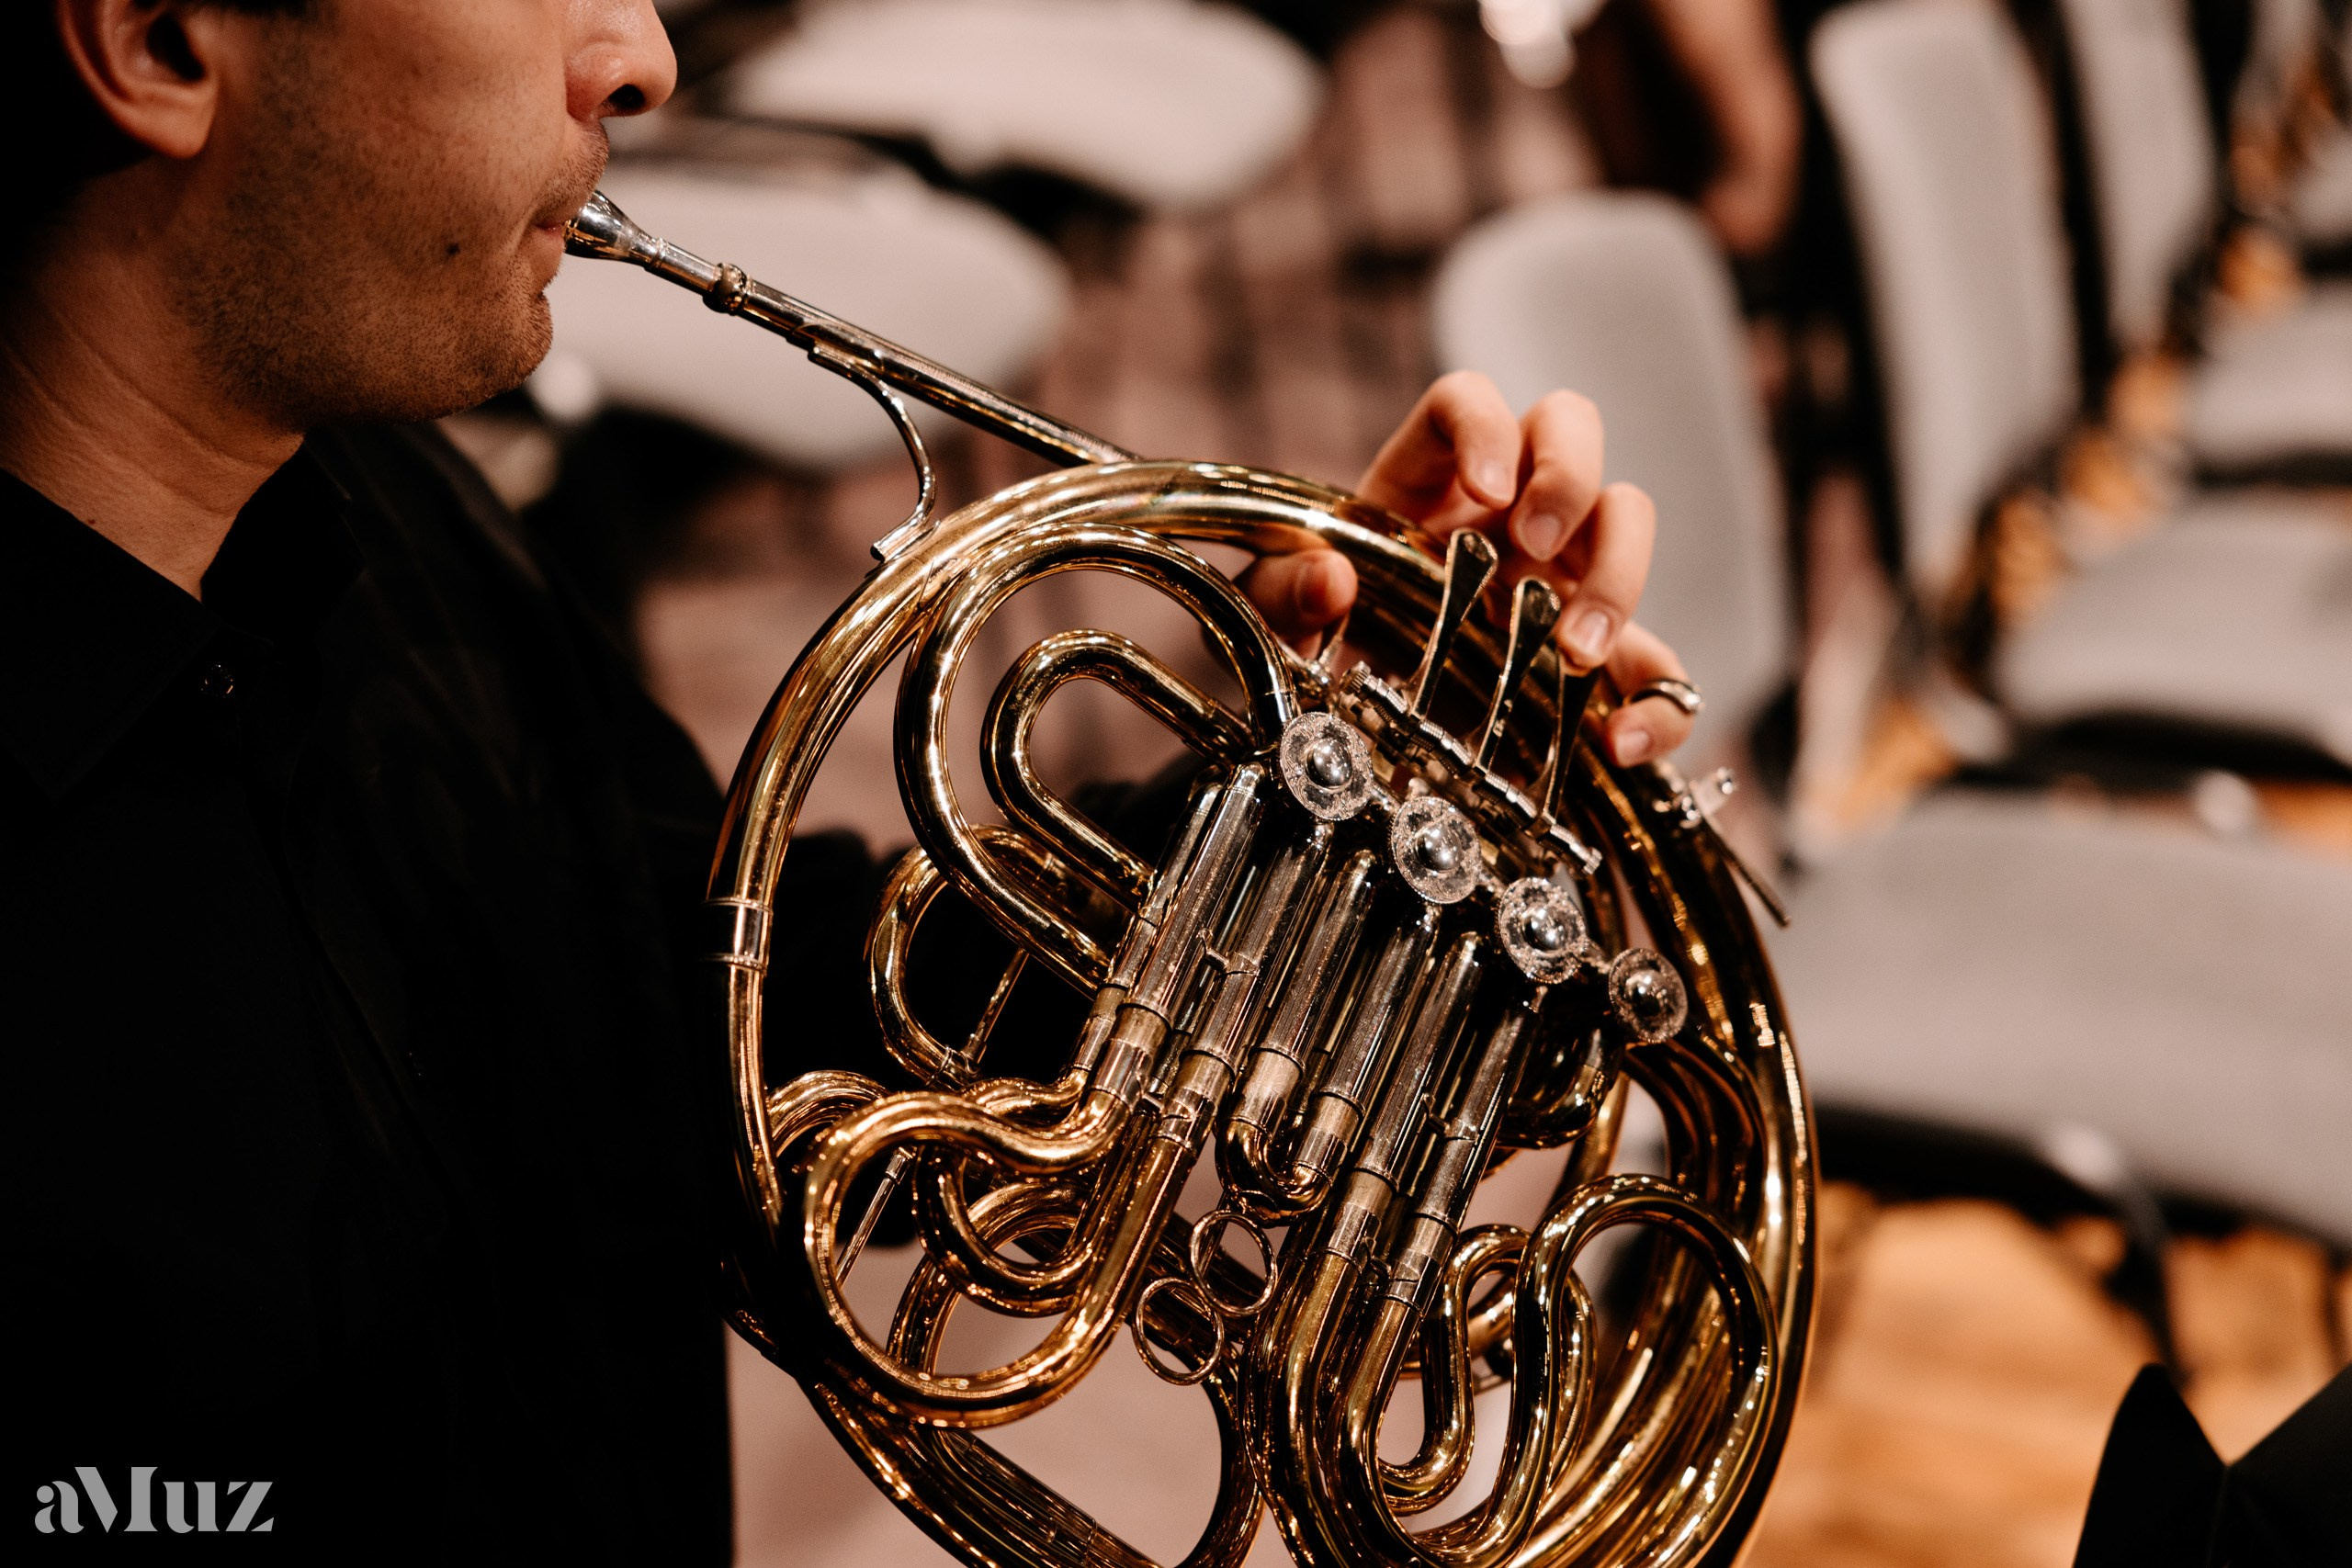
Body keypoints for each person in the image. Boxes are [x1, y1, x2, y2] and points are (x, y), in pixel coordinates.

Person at [4, 0, 1699, 1556]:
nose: (643, 56)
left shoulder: (397, 518)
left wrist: (1300, 801)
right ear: (159, 42)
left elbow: (737, 1048)